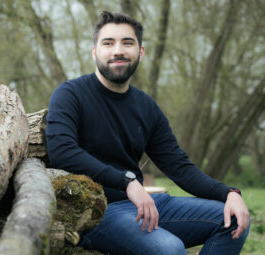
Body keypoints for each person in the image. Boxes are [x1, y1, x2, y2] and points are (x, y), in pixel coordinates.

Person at [46, 11, 250, 255]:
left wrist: (229, 193)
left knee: (233, 218)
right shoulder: (70, 95)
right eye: (108, 43)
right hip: (95, 211)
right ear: (94, 52)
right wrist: (127, 182)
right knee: (169, 249)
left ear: (140, 53)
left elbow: (179, 167)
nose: (118, 50)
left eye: (127, 43)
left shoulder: (146, 106)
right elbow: (62, 152)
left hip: (144, 206)